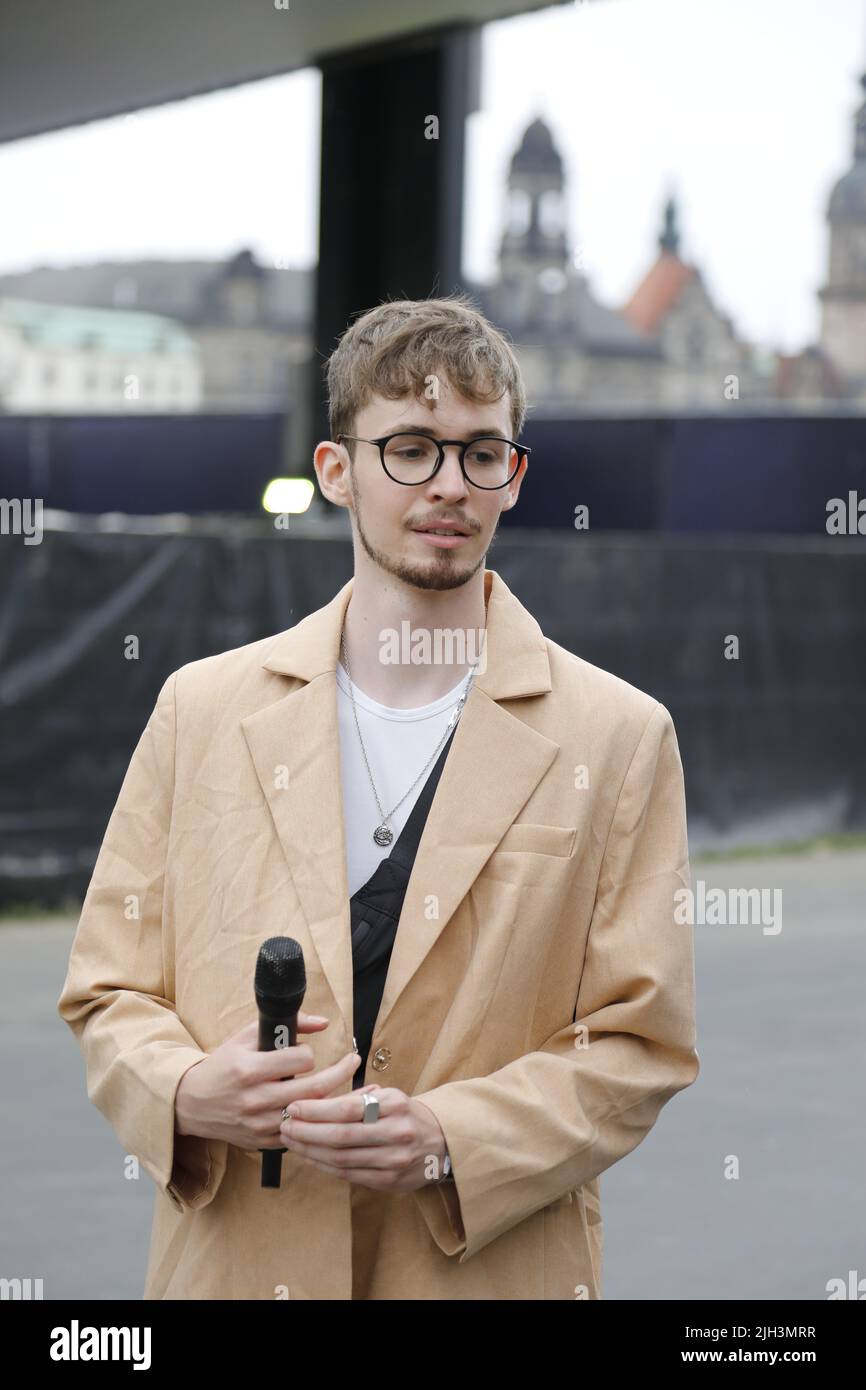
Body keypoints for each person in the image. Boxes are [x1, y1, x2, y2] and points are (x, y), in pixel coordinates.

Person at [57, 293, 699, 1300]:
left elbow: (639, 1039)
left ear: (512, 477)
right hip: (238, 1267)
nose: (448, 483)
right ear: (335, 471)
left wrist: (450, 1136)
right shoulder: (201, 710)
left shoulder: (617, 737)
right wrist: (186, 1088)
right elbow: (108, 990)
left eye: (480, 453)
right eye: (409, 446)